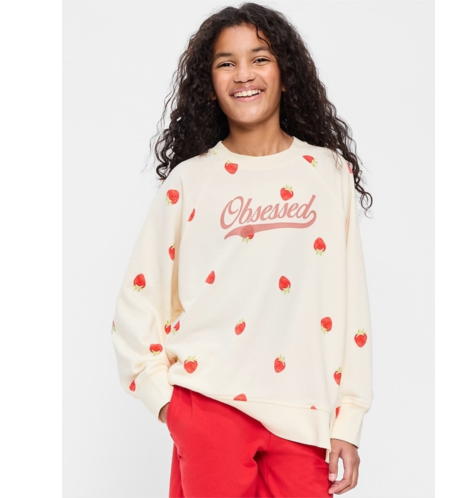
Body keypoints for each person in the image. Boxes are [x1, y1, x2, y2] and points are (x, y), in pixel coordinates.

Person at [112, 3, 373, 497]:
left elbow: (351, 303)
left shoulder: (328, 173)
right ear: (208, 82)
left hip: (305, 416)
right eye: (225, 63)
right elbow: (138, 298)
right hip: (209, 405)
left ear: (285, 73)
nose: (243, 74)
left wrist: (349, 418)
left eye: (260, 58)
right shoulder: (190, 180)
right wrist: (168, 402)